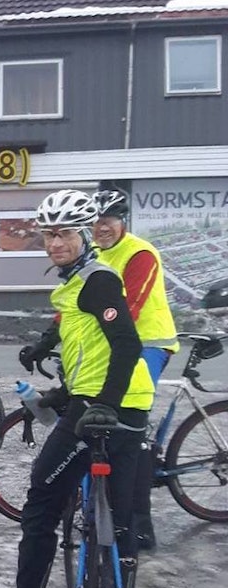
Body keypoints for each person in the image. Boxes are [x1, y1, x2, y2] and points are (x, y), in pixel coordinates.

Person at [0, 190, 152, 588]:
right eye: (49, 234)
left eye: (65, 233)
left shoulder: (96, 281)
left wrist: (103, 406)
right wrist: (61, 390)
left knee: (40, 506)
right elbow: (91, 353)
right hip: (123, 407)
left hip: (104, 409)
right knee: (120, 515)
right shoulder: (81, 281)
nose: (55, 242)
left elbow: (128, 345)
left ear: (84, 234)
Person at [92, 189, 178, 551]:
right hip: (117, 340)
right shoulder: (95, 255)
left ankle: (141, 523)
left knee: (132, 422)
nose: (101, 228)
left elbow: (131, 307)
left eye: (108, 220)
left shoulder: (140, 253)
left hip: (149, 343)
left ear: (123, 221)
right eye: (95, 222)